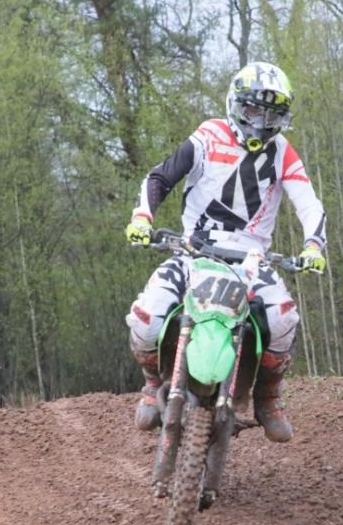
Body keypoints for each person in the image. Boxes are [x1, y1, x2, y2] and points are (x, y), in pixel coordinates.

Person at [124, 62, 327, 442]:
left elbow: (309, 203)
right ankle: (152, 384)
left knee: (282, 319)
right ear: (236, 104)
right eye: (253, 110)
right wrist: (141, 218)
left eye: (272, 114)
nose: (262, 121)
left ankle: (268, 397)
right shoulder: (208, 135)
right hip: (192, 249)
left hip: (251, 259)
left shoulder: (282, 152)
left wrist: (313, 245)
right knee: (148, 316)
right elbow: (161, 176)